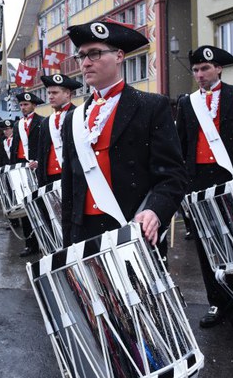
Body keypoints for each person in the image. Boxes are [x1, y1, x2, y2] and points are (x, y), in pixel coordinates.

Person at [62, 20, 187, 255]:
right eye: (82, 56)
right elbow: (69, 188)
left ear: (119, 56)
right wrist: (67, 242)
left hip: (132, 227)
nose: (86, 63)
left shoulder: (151, 106)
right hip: (84, 234)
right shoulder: (73, 120)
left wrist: (155, 212)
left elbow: (173, 176)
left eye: (95, 54)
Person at [176, 45, 233, 342]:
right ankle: (216, 302)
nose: (200, 74)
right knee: (207, 246)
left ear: (219, 70)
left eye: (205, 69)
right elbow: (182, 145)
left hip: (232, 177)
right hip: (199, 181)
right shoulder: (187, 103)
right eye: (196, 70)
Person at [10, 92, 44, 257]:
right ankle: (30, 245)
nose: (23, 107)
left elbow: (45, 147)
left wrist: (39, 161)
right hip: (21, 168)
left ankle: (44, 242)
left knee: (39, 205)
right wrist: (11, 168)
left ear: (34, 105)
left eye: (26, 105)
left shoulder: (42, 122)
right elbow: (14, 147)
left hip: (36, 167)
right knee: (24, 207)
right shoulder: (17, 125)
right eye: (21, 105)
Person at [37, 74, 82, 186]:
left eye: (55, 93)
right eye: (49, 93)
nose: (50, 96)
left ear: (67, 94)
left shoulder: (79, 116)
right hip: (50, 177)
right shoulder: (46, 122)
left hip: (73, 175)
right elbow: (42, 154)